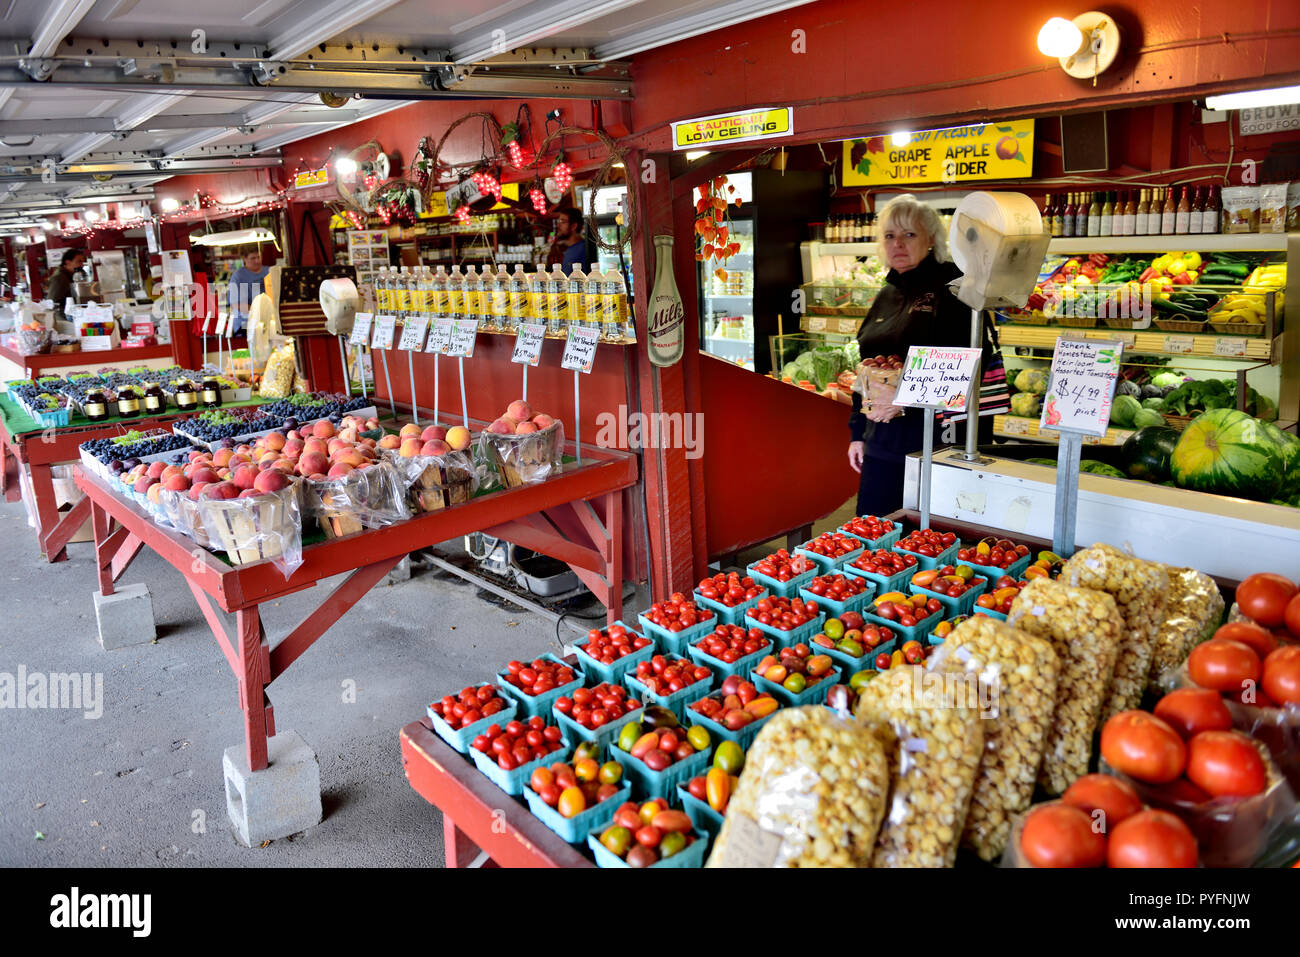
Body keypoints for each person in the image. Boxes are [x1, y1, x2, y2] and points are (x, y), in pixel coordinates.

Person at [846, 194, 996, 517]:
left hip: (933, 446)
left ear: (931, 239)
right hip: (881, 446)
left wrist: (903, 399)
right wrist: (857, 433)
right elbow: (866, 369)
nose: (898, 243)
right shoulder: (886, 293)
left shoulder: (953, 290)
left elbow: (966, 367)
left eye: (909, 234)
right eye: (889, 235)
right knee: (871, 538)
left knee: (923, 542)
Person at [227, 248, 269, 336]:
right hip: (245, 325)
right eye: (253, 258)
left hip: (268, 321)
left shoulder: (268, 271)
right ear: (244, 258)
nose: (257, 261)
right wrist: (260, 311)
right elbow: (236, 304)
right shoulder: (238, 277)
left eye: (259, 257)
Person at [545, 207, 593, 275]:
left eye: (563, 221)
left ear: (574, 226)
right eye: (558, 221)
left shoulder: (584, 249)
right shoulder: (568, 248)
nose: (558, 225)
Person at [47, 249, 86, 323]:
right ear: (67, 262)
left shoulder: (72, 275)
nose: (82, 265)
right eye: (79, 261)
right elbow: (52, 302)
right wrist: (67, 320)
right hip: (65, 320)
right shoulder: (59, 278)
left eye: (82, 261)